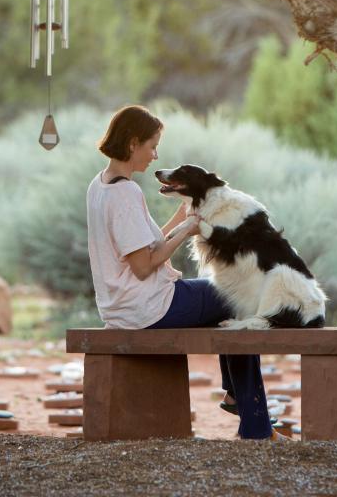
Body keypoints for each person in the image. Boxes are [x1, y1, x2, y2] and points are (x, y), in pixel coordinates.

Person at [86, 105, 284, 440]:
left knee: (225, 300)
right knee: (240, 298)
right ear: (133, 143)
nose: (155, 155)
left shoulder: (100, 185)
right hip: (148, 307)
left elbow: (141, 249)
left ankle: (243, 405)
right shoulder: (125, 193)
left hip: (124, 307)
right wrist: (190, 229)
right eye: (151, 146)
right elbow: (144, 266)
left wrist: (179, 219)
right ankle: (254, 425)